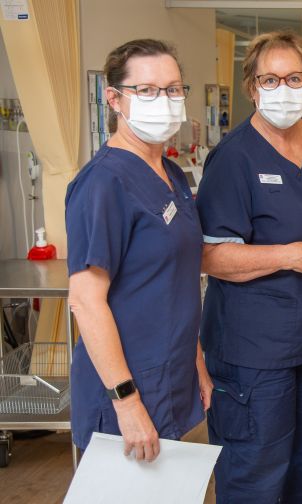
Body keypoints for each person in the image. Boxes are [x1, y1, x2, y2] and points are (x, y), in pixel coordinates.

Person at [196, 30, 302, 504]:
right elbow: (212, 255)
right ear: (252, 86)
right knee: (257, 473)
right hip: (253, 351)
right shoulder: (234, 157)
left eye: (294, 77)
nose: (283, 89)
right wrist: (289, 254)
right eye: (270, 79)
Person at [66, 39, 212, 460]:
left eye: (172, 89)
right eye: (146, 91)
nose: (163, 101)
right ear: (114, 98)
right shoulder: (102, 183)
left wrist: (196, 362)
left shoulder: (171, 173)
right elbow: (86, 302)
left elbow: (177, 280)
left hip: (169, 372)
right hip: (125, 387)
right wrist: (127, 402)